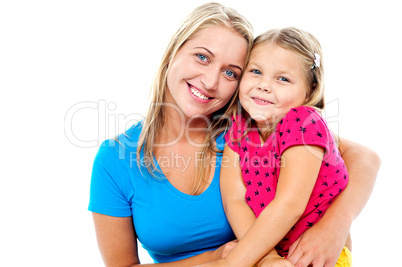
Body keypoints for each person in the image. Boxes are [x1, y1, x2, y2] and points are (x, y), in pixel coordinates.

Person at [88, 3, 380, 267]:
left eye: (231, 73)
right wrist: (218, 258)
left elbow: (364, 158)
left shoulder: (254, 127)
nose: (211, 81)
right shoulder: (115, 159)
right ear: (173, 52)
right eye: (202, 57)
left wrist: (335, 225)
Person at [196, 27, 353, 267]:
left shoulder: (304, 121)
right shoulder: (239, 127)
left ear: (309, 90)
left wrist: (232, 264)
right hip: (263, 254)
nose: (264, 85)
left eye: (283, 79)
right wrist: (266, 258)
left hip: (314, 257)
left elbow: (290, 205)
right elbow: (234, 200)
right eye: (256, 72)